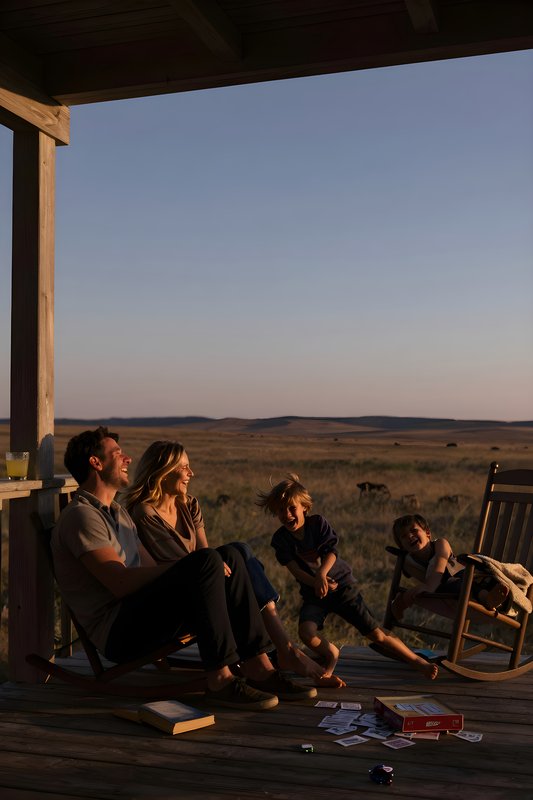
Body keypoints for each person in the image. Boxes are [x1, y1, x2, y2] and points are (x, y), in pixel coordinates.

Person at [52, 427, 309, 711]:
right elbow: (119, 583)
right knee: (206, 560)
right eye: (118, 454)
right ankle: (220, 679)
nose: (127, 459)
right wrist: (191, 568)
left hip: (140, 612)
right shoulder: (81, 516)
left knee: (231, 554)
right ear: (95, 463)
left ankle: (259, 667)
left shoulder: (118, 513)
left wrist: (193, 569)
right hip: (118, 631)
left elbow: (151, 567)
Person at [122, 440, 322, 687]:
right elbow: (184, 563)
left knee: (238, 549)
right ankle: (281, 652)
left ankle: (280, 651)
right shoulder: (145, 513)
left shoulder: (189, 504)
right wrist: (216, 566)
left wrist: (217, 565)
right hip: (176, 596)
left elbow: (204, 553)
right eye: (184, 467)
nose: (190, 473)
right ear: (163, 471)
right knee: (230, 555)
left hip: (202, 580)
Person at [258, 474, 439, 685]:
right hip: (314, 592)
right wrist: (317, 582)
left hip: (343, 587)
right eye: (281, 510)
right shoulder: (280, 539)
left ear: (304, 508)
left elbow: (331, 553)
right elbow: (295, 570)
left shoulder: (318, 524)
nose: (287, 514)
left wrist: (322, 575)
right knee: (306, 633)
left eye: (292, 508)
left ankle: (418, 661)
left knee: (376, 634)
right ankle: (330, 652)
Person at [390, 514, 510, 620]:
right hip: (447, 591)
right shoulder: (408, 561)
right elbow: (409, 572)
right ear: (402, 546)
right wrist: (402, 601)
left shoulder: (440, 544)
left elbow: (439, 566)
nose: (410, 536)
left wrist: (428, 586)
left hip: (464, 577)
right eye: (404, 536)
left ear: (428, 533)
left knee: (471, 583)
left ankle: (490, 600)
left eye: (414, 530)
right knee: (454, 587)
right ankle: (390, 626)